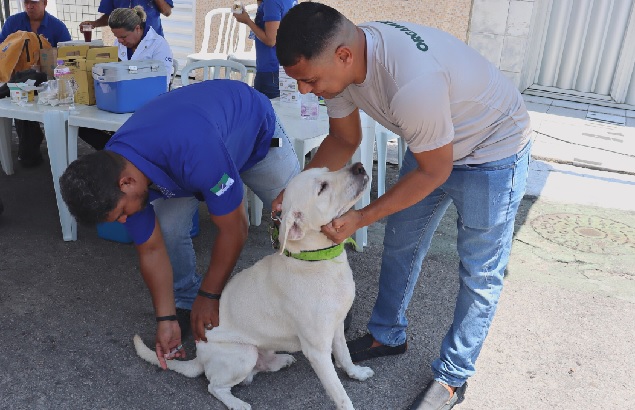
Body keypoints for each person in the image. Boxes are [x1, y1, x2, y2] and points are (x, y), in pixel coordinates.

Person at [274, 3, 533, 409]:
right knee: (400, 243)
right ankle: (386, 334)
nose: (305, 90)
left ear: (343, 56)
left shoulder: (412, 83)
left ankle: (451, 378)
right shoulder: (343, 68)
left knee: (480, 271)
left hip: (492, 151)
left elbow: (435, 172)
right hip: (433, 143)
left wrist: (361, 215)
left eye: (308, 80)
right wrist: (295, 192)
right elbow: (343, 140)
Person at [60, 79, 300, 369]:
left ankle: (320, 307)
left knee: (300, 221)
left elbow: (235, 228)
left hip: (253, 136)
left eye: (121, 213)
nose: (124, 221)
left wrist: (210, 295)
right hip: (190, 160)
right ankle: (185, 302)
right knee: (168, 229)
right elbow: (150, 250)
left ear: (127, 182)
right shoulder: (116, 166)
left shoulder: (193, 149)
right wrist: (165, 318)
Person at [78, 6, 174, 151]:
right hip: (119, 103)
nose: (120, 41)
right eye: (117, 37)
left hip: (146, 106)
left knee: (130, 132)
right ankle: (121, 151)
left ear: (137, 28)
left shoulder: (158, 45)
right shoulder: (119, 44)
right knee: (83, 127)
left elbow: (162, 83)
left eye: (123, 37)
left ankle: (122, 152)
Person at [0, 0, 71, 168]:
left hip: (48, 80)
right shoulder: (13, 22)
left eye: (34, 2)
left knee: (41, 99)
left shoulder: (57, 26)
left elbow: (67, 53)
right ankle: (30, 148)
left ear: (45, 3)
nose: (29, 6)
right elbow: (2, 48)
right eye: (26, 2)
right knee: (20, 100)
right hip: (17, 79)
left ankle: (56, 151)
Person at [232, 0, 297, 99]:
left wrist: (247, 21)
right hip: (283, 67)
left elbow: (270, 40)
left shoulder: (272, 2)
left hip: (270, 69)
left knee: (264, 111)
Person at [80, 0, 172, 38]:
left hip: (152, 41)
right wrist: (95, 24)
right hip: (126, 44)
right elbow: (110, 15)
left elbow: (167, 12)